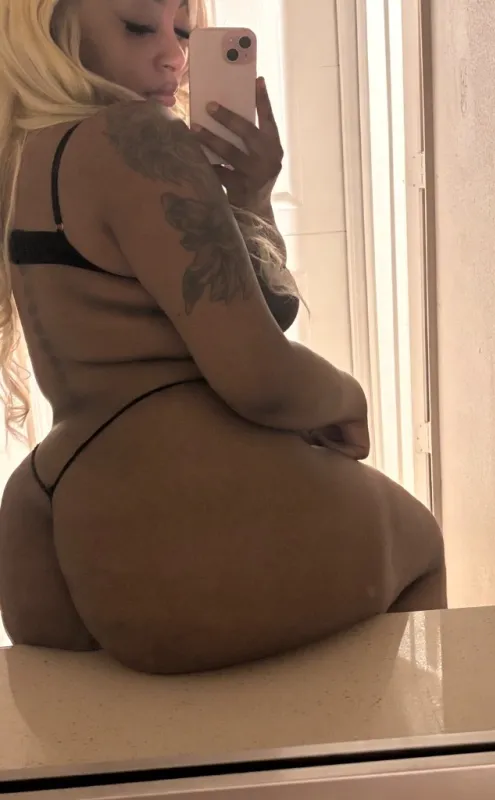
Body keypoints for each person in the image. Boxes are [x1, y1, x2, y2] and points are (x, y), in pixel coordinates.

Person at [0, 0, 446, 675]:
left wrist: (251, 198)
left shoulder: (25, 153)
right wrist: (347, 398)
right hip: (170, 495)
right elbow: (258, 372)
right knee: (422, 545)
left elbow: (238, 307)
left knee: (115, 728)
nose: (173, 57)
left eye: (182, 32)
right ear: (50, 22)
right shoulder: (136, 136)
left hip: (51, 502)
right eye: (137, 26)